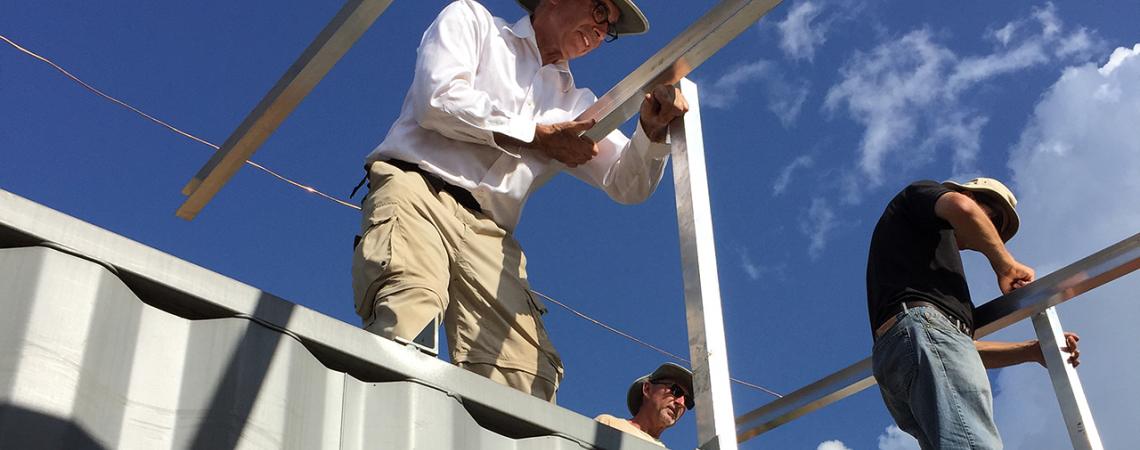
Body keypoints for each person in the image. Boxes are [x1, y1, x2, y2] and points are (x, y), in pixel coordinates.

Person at [351, 0, 689, 402]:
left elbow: (625, 184)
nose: (602, 31)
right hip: (419, 189)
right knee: (409, 315)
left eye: (610, 28)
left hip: (490, 233)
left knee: (525, 377)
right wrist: (537, 135)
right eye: (600, 10)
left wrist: (650, 133)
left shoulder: (577, 104)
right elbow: (438, 99)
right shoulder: (474, 22)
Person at [867, 178, 1082, 449]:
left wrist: (1030, 350)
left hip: (898, 354)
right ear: (968, 194)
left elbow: (955, 349)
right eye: (991, 221)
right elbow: (962, 208)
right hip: (916, 336)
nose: (988, 233)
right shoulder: (921, 194)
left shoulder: (926, 279)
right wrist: (1005, 266)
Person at [595, 363, 694, 446]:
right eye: (676, 390)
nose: (681, 403)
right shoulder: (610, 425)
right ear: (647, 389)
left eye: (687, 401)